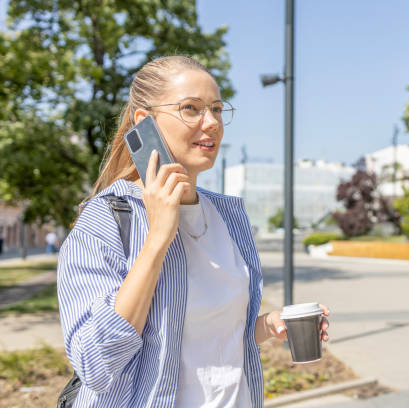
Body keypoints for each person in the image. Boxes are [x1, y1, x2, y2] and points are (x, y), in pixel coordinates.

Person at [57, 55, 330, 408]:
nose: (212, 122)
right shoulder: (107, 219)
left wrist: (267, 325)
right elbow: (94, 364)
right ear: (146, 123)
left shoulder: (230, 216)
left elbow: (209, 334)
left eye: (217, 109)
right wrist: (157, 240)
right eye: (191, 108)